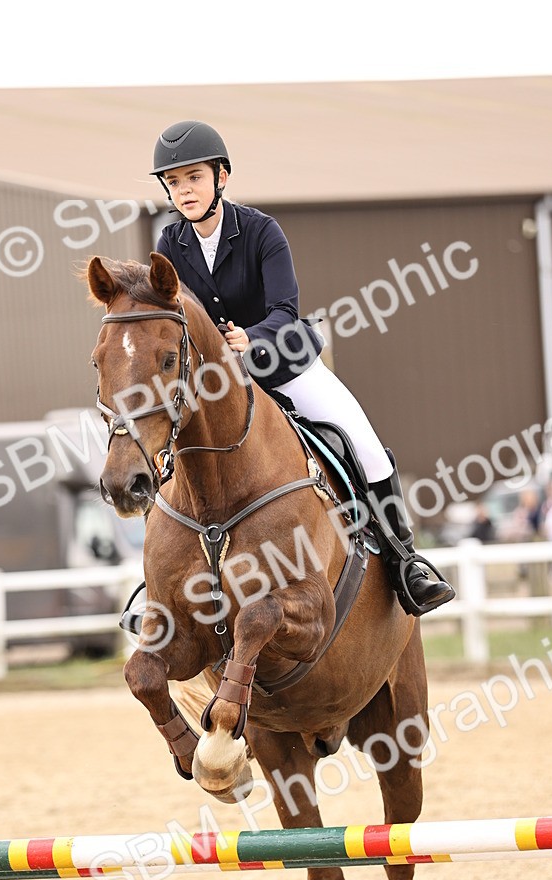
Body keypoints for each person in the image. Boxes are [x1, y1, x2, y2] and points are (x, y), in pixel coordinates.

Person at [147, 120, 454, 617]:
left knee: (365, 447)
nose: (184, 191)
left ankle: (406, 563)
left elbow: (285, 310)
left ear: (221, 177)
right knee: (162, 455)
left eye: (194, 178)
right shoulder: (168, 245)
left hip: (285, 366)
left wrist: (251, 338)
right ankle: (159, 587)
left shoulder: (262, 231)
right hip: (218, 385)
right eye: (175, 182)